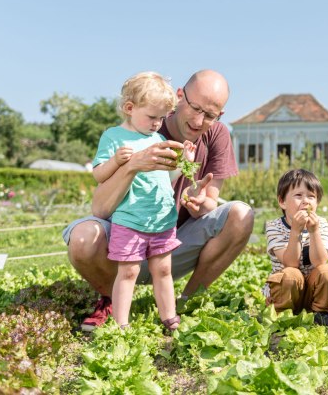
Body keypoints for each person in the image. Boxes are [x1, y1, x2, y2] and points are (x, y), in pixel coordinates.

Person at [63, 69, 255, 331]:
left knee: (242, 214)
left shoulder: (216, 135)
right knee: (83, 237)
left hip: (170, 243)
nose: (199, 121)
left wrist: (201, 202)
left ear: (219, 115)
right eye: (195, 108)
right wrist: (132, 166)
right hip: (125, 239)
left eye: (209, 115)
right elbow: (100, 208)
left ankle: (185, 303)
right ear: (179, 98)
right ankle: (110, 299)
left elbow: (210, 202)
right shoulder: (143, 122)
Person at [91, 71, 196, 332]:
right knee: (128, 273)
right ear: (129, 108)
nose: (157, 124)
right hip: (130, 219)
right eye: (152, 117)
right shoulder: (114, 137)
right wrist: (116, 161)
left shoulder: (159, 139)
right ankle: (121, 323)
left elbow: (165, 177)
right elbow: (98, 174)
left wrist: (185, 165)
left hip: (161, 217)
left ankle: (169, 317)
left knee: (163, 271)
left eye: (161, 118)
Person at [263, 169, 328, 330]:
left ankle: (322, 312)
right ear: (282, 202)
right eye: (298, 195)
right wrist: (295, 232)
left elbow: (320, 261)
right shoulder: (274, 227)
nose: (305, 201)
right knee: (291, 274)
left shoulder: (321, 224)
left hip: (312, 293)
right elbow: (290, 262)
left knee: (327, 271)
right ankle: (283, 314)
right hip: (287, 292)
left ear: (317, 203)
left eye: (311, 196)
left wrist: (313, 231)